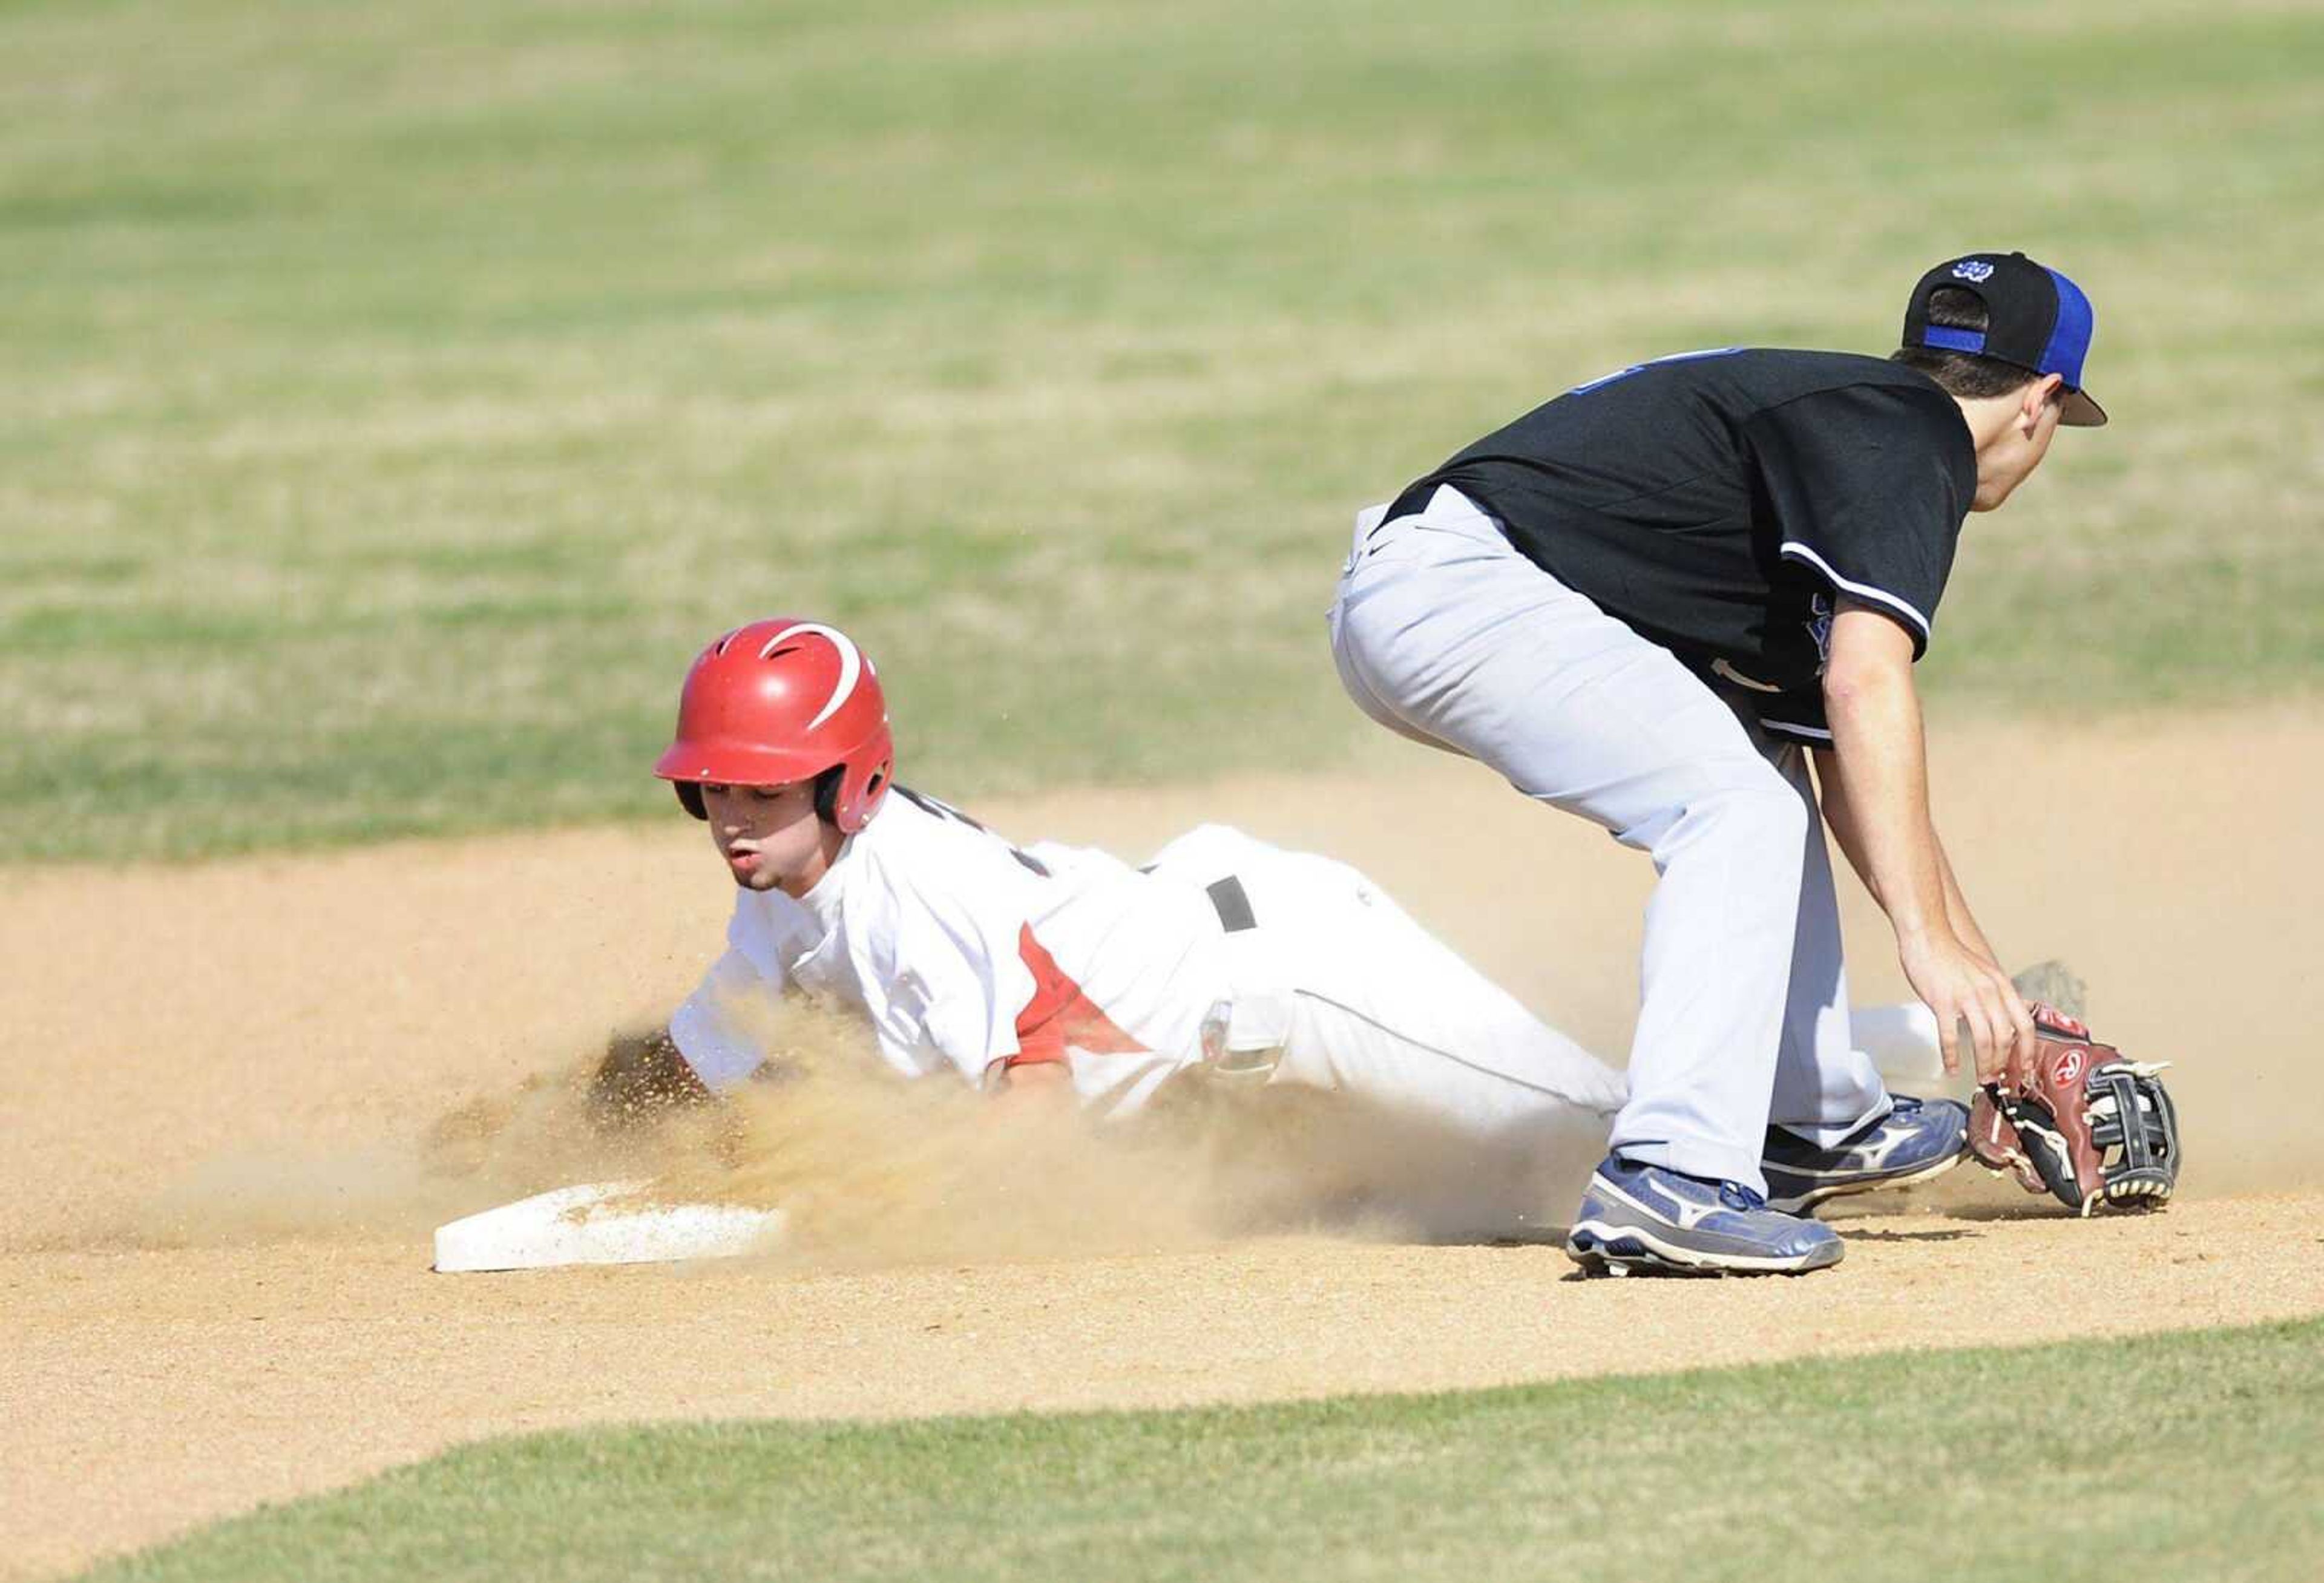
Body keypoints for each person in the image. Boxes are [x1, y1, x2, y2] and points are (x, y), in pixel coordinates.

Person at [1327, 251, 2106, 1274]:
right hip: (1461, 592)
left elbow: (1849, 775)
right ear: (2042, 403)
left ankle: (1812, 1118)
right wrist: (1925, 941)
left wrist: (1987, 993)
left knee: (1761, 774)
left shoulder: (1853, 432)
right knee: (1731, 806)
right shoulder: (1909, 441)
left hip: (1441, 591)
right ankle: (1673, 1177)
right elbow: (1870, 684)